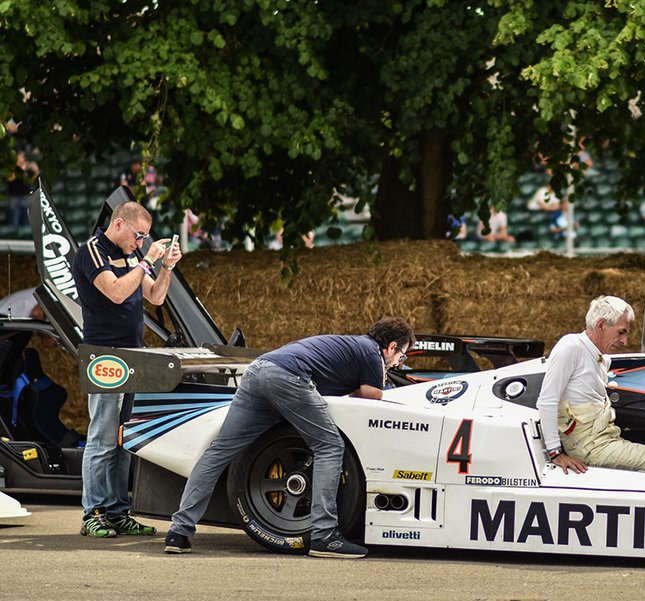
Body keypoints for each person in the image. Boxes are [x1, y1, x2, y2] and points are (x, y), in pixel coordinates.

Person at [164, 317, 414, 558]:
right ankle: (325, 536)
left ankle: (179, 532)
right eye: (401, 356)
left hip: (258, 370)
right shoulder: (372, 353)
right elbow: (372, 395)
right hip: (288, 377)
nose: (397, 363)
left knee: (219, 452)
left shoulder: (351, 345)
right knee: (329, 447)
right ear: (391, 347)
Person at [72, 201, 182, 538]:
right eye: (139, 236)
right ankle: (93, 512)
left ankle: (118, 510)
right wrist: (148, 260)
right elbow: (117, 293)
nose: (141, 243)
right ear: (119, 224)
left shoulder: (132, 254)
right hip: (105, 355)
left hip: (131, 355)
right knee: (103, 437)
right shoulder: (92, 251)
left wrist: (166, 268)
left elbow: (155, 297)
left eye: (145, 238)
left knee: (123, 440)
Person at [538, 296, 645, 474]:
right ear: (601, 324)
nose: (625, 341)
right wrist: (555, 453)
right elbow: (547, 401)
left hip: (605, 438)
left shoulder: (602, 358)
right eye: (621, 332)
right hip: (590, 447)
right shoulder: (571, 347)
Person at [7, 149, 38, 229]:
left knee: (27, 223)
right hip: (14, 198)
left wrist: (34, 169)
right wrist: (19, 168)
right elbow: (10, 178)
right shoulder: (12, 167)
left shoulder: (27, 168)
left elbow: (34, 177)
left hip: (25, 197)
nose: (22, 159)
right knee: (14, 223)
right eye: (21, 157)